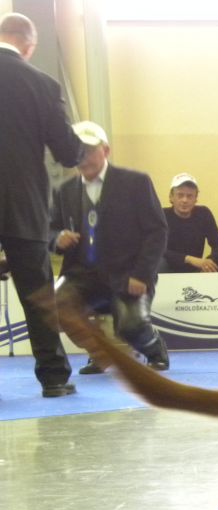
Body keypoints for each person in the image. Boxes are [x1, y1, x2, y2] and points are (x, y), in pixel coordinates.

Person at [0, 12, 83, 398]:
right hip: (23, 206)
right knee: (37, 295)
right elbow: (68, 153)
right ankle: (54, 377)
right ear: (29, 45)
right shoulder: (42, 84)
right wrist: (84, 146)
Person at [51, 121, 170, 373]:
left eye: (90, 150)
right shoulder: (65, 191)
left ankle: (154, 347)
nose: (84, 157)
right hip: (82, 275)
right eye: (78, 151)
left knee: (130, 326)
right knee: (55, 306)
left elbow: (157, 231)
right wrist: (57, 238)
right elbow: (50, 229)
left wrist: (142, 274)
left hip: (128, 273)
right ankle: (102, 353)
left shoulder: (136, 182)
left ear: (106, 150)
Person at [160, 173, 218, 273]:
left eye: (189, 196)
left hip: (197, 269)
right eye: (180, 195)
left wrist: (209, 262)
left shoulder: (203, 213)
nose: (185, 200)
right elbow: (157, 249)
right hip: (170, 268)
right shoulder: (162, 215)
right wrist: (189, 259)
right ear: (171, 197)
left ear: (196, 199)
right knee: (159, 262)